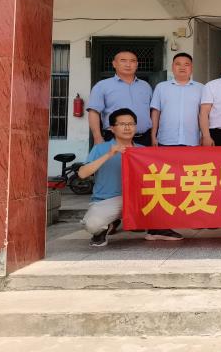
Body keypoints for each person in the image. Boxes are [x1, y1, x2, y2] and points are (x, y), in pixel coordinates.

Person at [79, 108, 183, 247]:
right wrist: (109, 154)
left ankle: (156, 229)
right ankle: (103, 229)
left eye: (131, 124)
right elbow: (82, 174)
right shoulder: (101, 148)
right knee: (92, 225)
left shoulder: (143, 150)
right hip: (110, 200)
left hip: (139, 198)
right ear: (112, 128)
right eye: (122, 124)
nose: (127, 128)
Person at [87, 51, 153, 146]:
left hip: (144, 139)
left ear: (137, 64)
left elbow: (152, 112)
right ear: (114, 64)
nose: (128, 64)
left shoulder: (145, 86)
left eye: (132, 61)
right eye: (123, 60)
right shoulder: (102, 86)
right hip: (115, 139)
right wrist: (97, 137)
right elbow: (93, 112)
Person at [150, 52, 205, 146]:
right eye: (178, 64)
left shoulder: (201, 88)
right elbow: (155, 113)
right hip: (165, 140)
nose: (182, 67)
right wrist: (153, 136)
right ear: (172, 67)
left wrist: (204, 136)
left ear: (192, 68)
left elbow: (203, 114)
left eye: (186, 64)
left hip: (192, 141)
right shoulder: (161, 87)